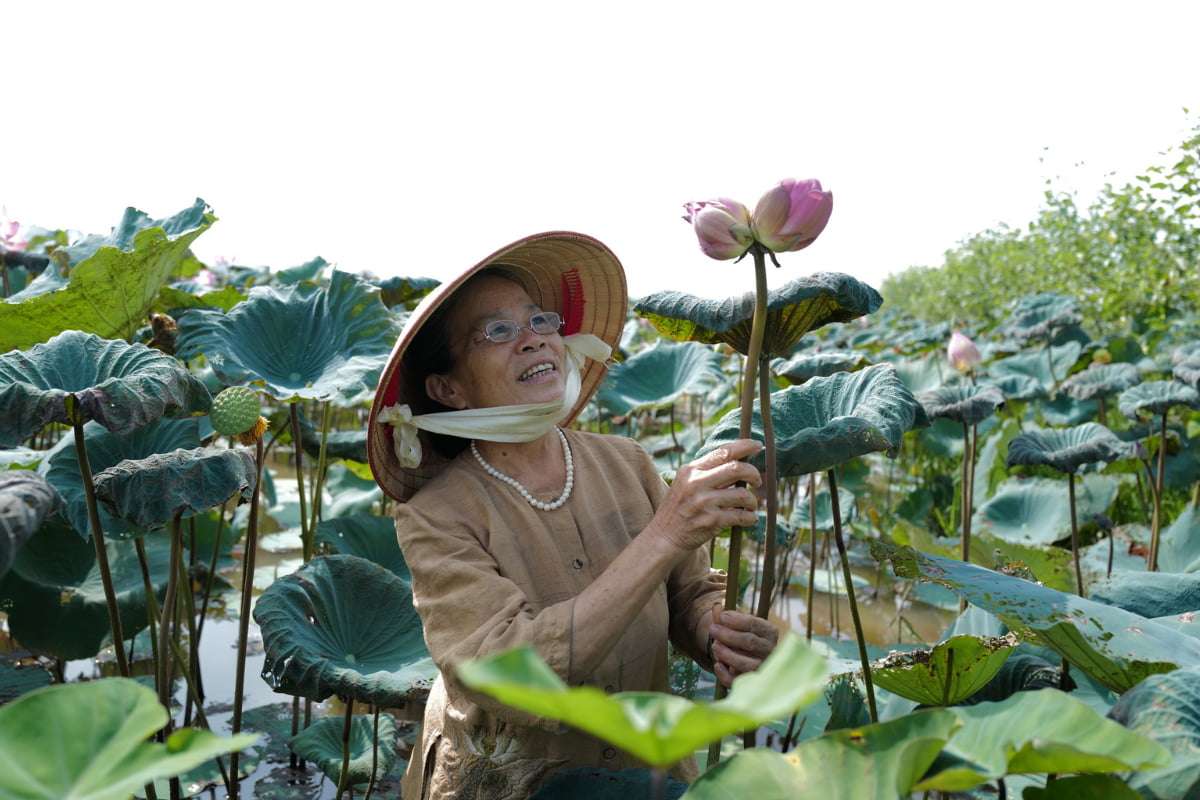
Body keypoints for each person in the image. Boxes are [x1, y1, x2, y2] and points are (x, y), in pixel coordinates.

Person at [367, 232, 779, 799]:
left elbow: (687, 594)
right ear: (448, 389)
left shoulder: (628, 463)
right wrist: (664, 533)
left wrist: (717, 634)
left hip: (646, 770)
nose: (533, 341)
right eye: (498, 331)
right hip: (507, 784)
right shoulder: (434, 515)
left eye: (540, 322)